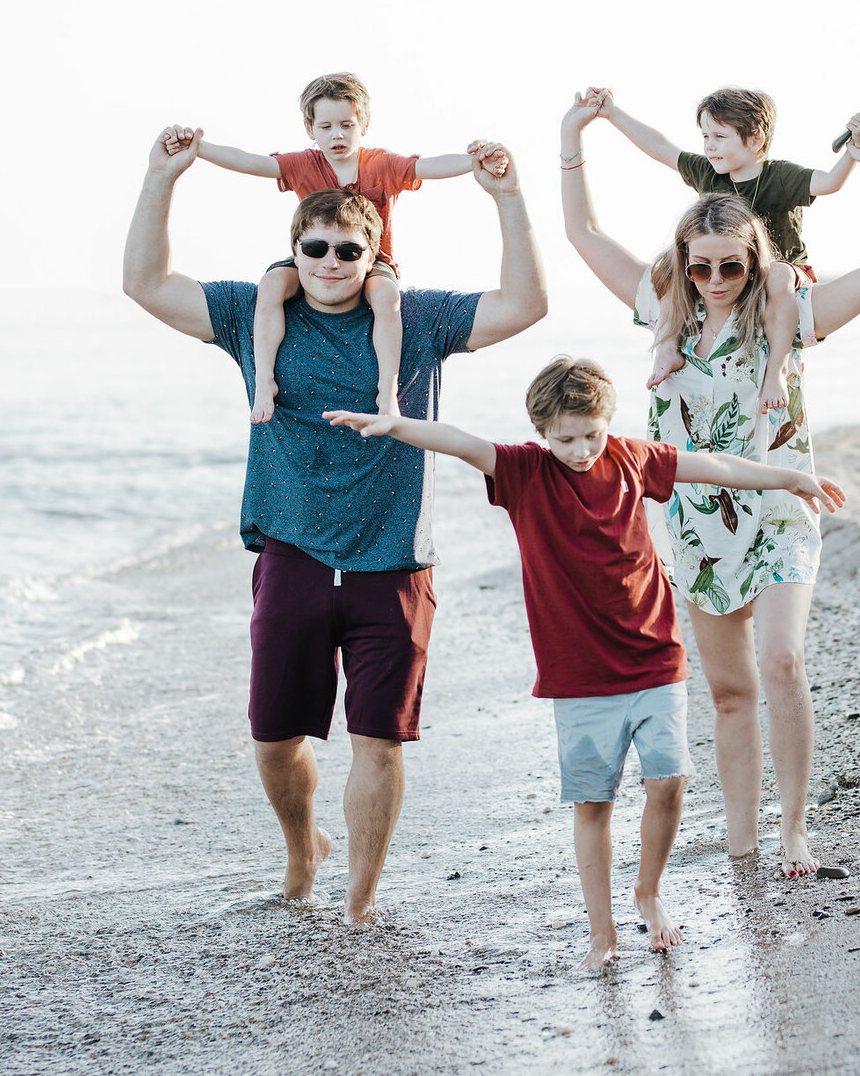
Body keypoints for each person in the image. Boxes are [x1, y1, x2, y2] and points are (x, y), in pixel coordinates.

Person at [122, 125, 546, 923]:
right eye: (313, 247)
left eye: (347, 251)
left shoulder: (415, 321)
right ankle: (300, 847)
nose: (328, 262)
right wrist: (161, 180)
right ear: (294, 249)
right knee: (276, 739)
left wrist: (508, 199)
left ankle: (359, 900)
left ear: (374, 256)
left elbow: (526, 305)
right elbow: (145, 283)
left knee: (378, 742)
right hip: (293, 555)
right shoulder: (254, 315)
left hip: (394, 563)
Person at [324, 357, 845, 970]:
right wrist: (395, 425)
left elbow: (716, 468)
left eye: (590, 434)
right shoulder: (524, 472)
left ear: (607, 422)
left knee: (670, 784)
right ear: (542, 433)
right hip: (579, 675)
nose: (579, 450)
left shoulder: (631, 457)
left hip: (654, 655)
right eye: (565, 438)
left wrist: (788, 480)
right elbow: (461, 443)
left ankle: (648, 890)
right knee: (594, 804)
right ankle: (603, 932)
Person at [560, 91, 860, 877]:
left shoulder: (791, 313)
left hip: (781, 503)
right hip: (697, 520)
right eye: (701, 265)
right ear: (682, 262)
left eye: (731, 265)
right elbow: (583, 233)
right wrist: (574, 137)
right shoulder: (663, 316)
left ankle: (793, 827)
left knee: (780, 659)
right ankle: (743, 842)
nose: (715, 279)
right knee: (727, 690)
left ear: (754, 260)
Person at [161, 72, 504, 423]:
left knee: (387, 297)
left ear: (364, 125)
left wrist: (474, 160)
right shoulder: (303, 164)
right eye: (325, 126)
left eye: (346, 124)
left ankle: (387, 392)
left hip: (371, 262)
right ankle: (264, 381)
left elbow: (428, 166)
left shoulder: (382, 164)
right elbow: (251, 162)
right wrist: (199, 149)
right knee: (271, 286)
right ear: (310, 129)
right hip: (313, 255)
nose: (337, 135)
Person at [581, 86, 860, 411]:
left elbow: (830, 182)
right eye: (705, 135)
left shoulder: (779, 176)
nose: (708, 146)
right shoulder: (709, 171)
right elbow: (660, 147)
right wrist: (612, 113)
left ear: (755, 140)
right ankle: (666, 347)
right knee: (668, 264)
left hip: (782, 272)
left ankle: (776, 368)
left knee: (777, 276)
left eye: (719, 137)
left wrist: (853, 148)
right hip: (726, 270)